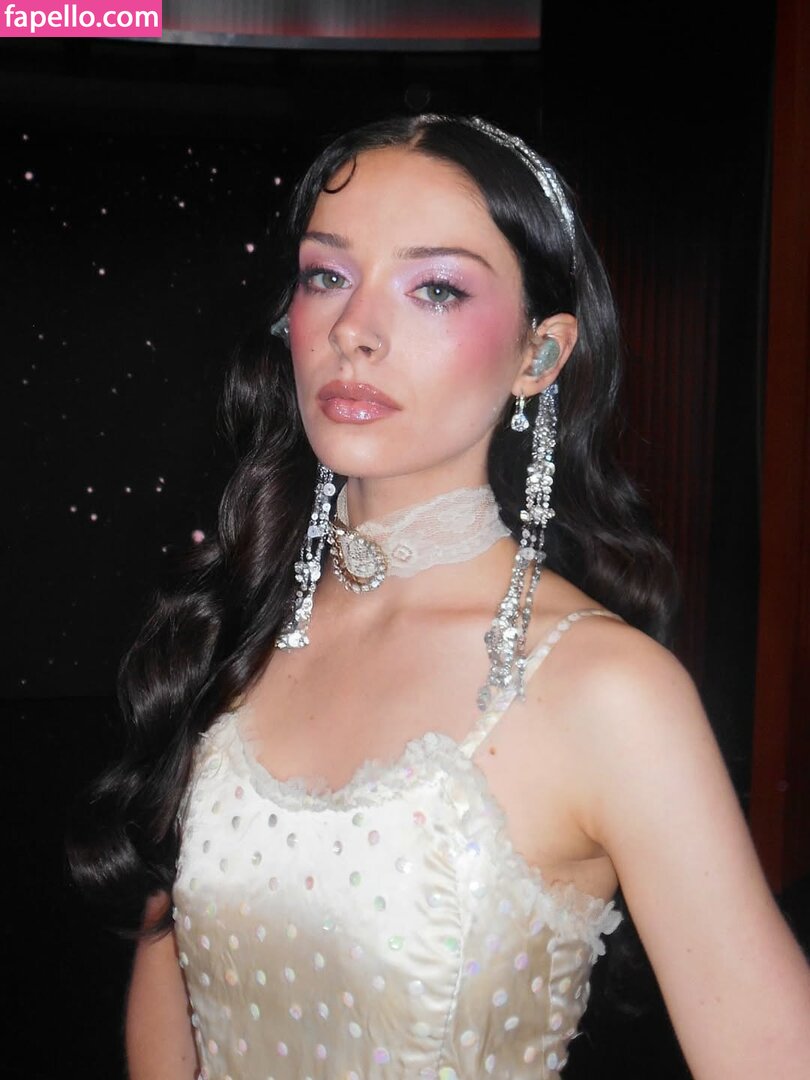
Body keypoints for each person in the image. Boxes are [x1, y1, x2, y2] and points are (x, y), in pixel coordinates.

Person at [70, 114, 810, 1079]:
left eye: (436, 289)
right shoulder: (238, 628)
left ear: (538, 356)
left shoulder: (608, 691)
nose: (354, 330)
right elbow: (165, 1020)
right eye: (326, 276)